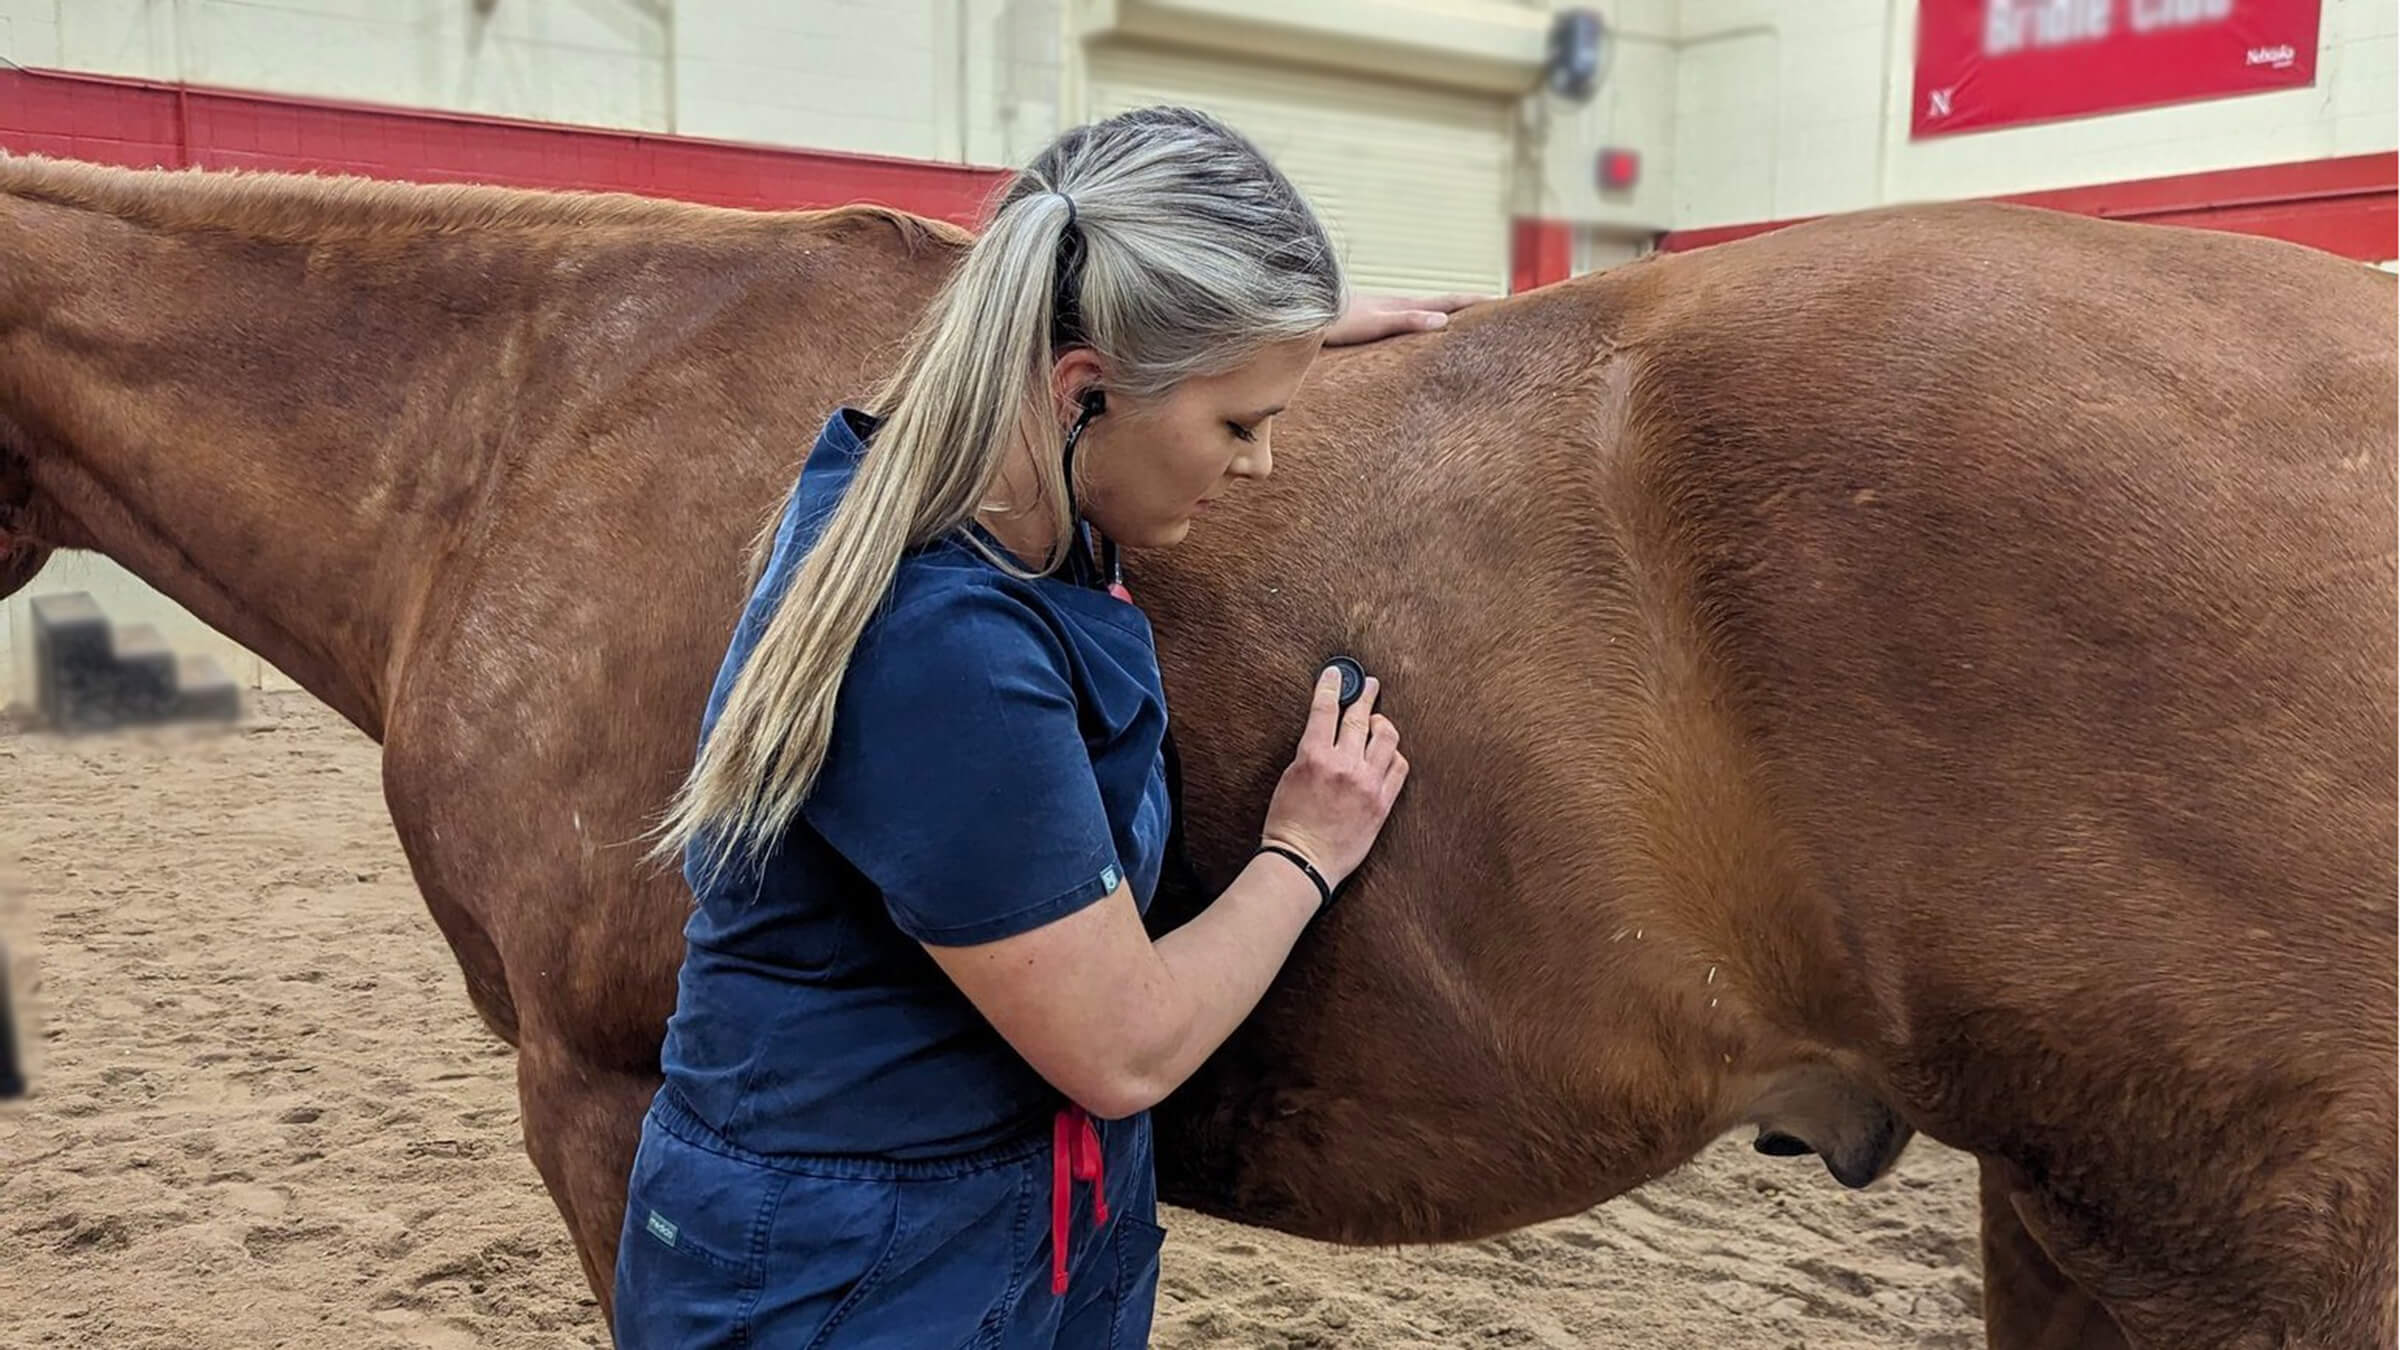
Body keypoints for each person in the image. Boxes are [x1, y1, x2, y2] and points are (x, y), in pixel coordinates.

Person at [617, 104, 1476, 1349]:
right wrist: (1304, 851)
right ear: (1083, 391)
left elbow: (1043, 323)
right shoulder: (940, 650)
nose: (1263, 464)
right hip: (852, 1276)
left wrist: (1252, 347)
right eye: (1239, 425)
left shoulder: (978, 477)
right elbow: (1124, 1050)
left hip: (990, 1222)